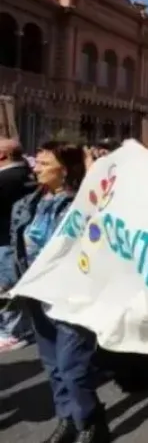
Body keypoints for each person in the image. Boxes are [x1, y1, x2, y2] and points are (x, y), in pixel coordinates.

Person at [15, 142, 107, 442]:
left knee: (72, 366)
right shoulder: (30, 202)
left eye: (45, 164)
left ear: (64, 170)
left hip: (70, 297)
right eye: (38, 163)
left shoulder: (81, 206)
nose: (36, 168)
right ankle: (68, 418)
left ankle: (91, 423)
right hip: (37, 295)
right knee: (53, 365)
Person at [0, 137, 37, 351]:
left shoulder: (7, 178)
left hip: (5, 239)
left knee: (6, 287)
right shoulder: (25, 173)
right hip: (13, 239)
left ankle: (13, 332)